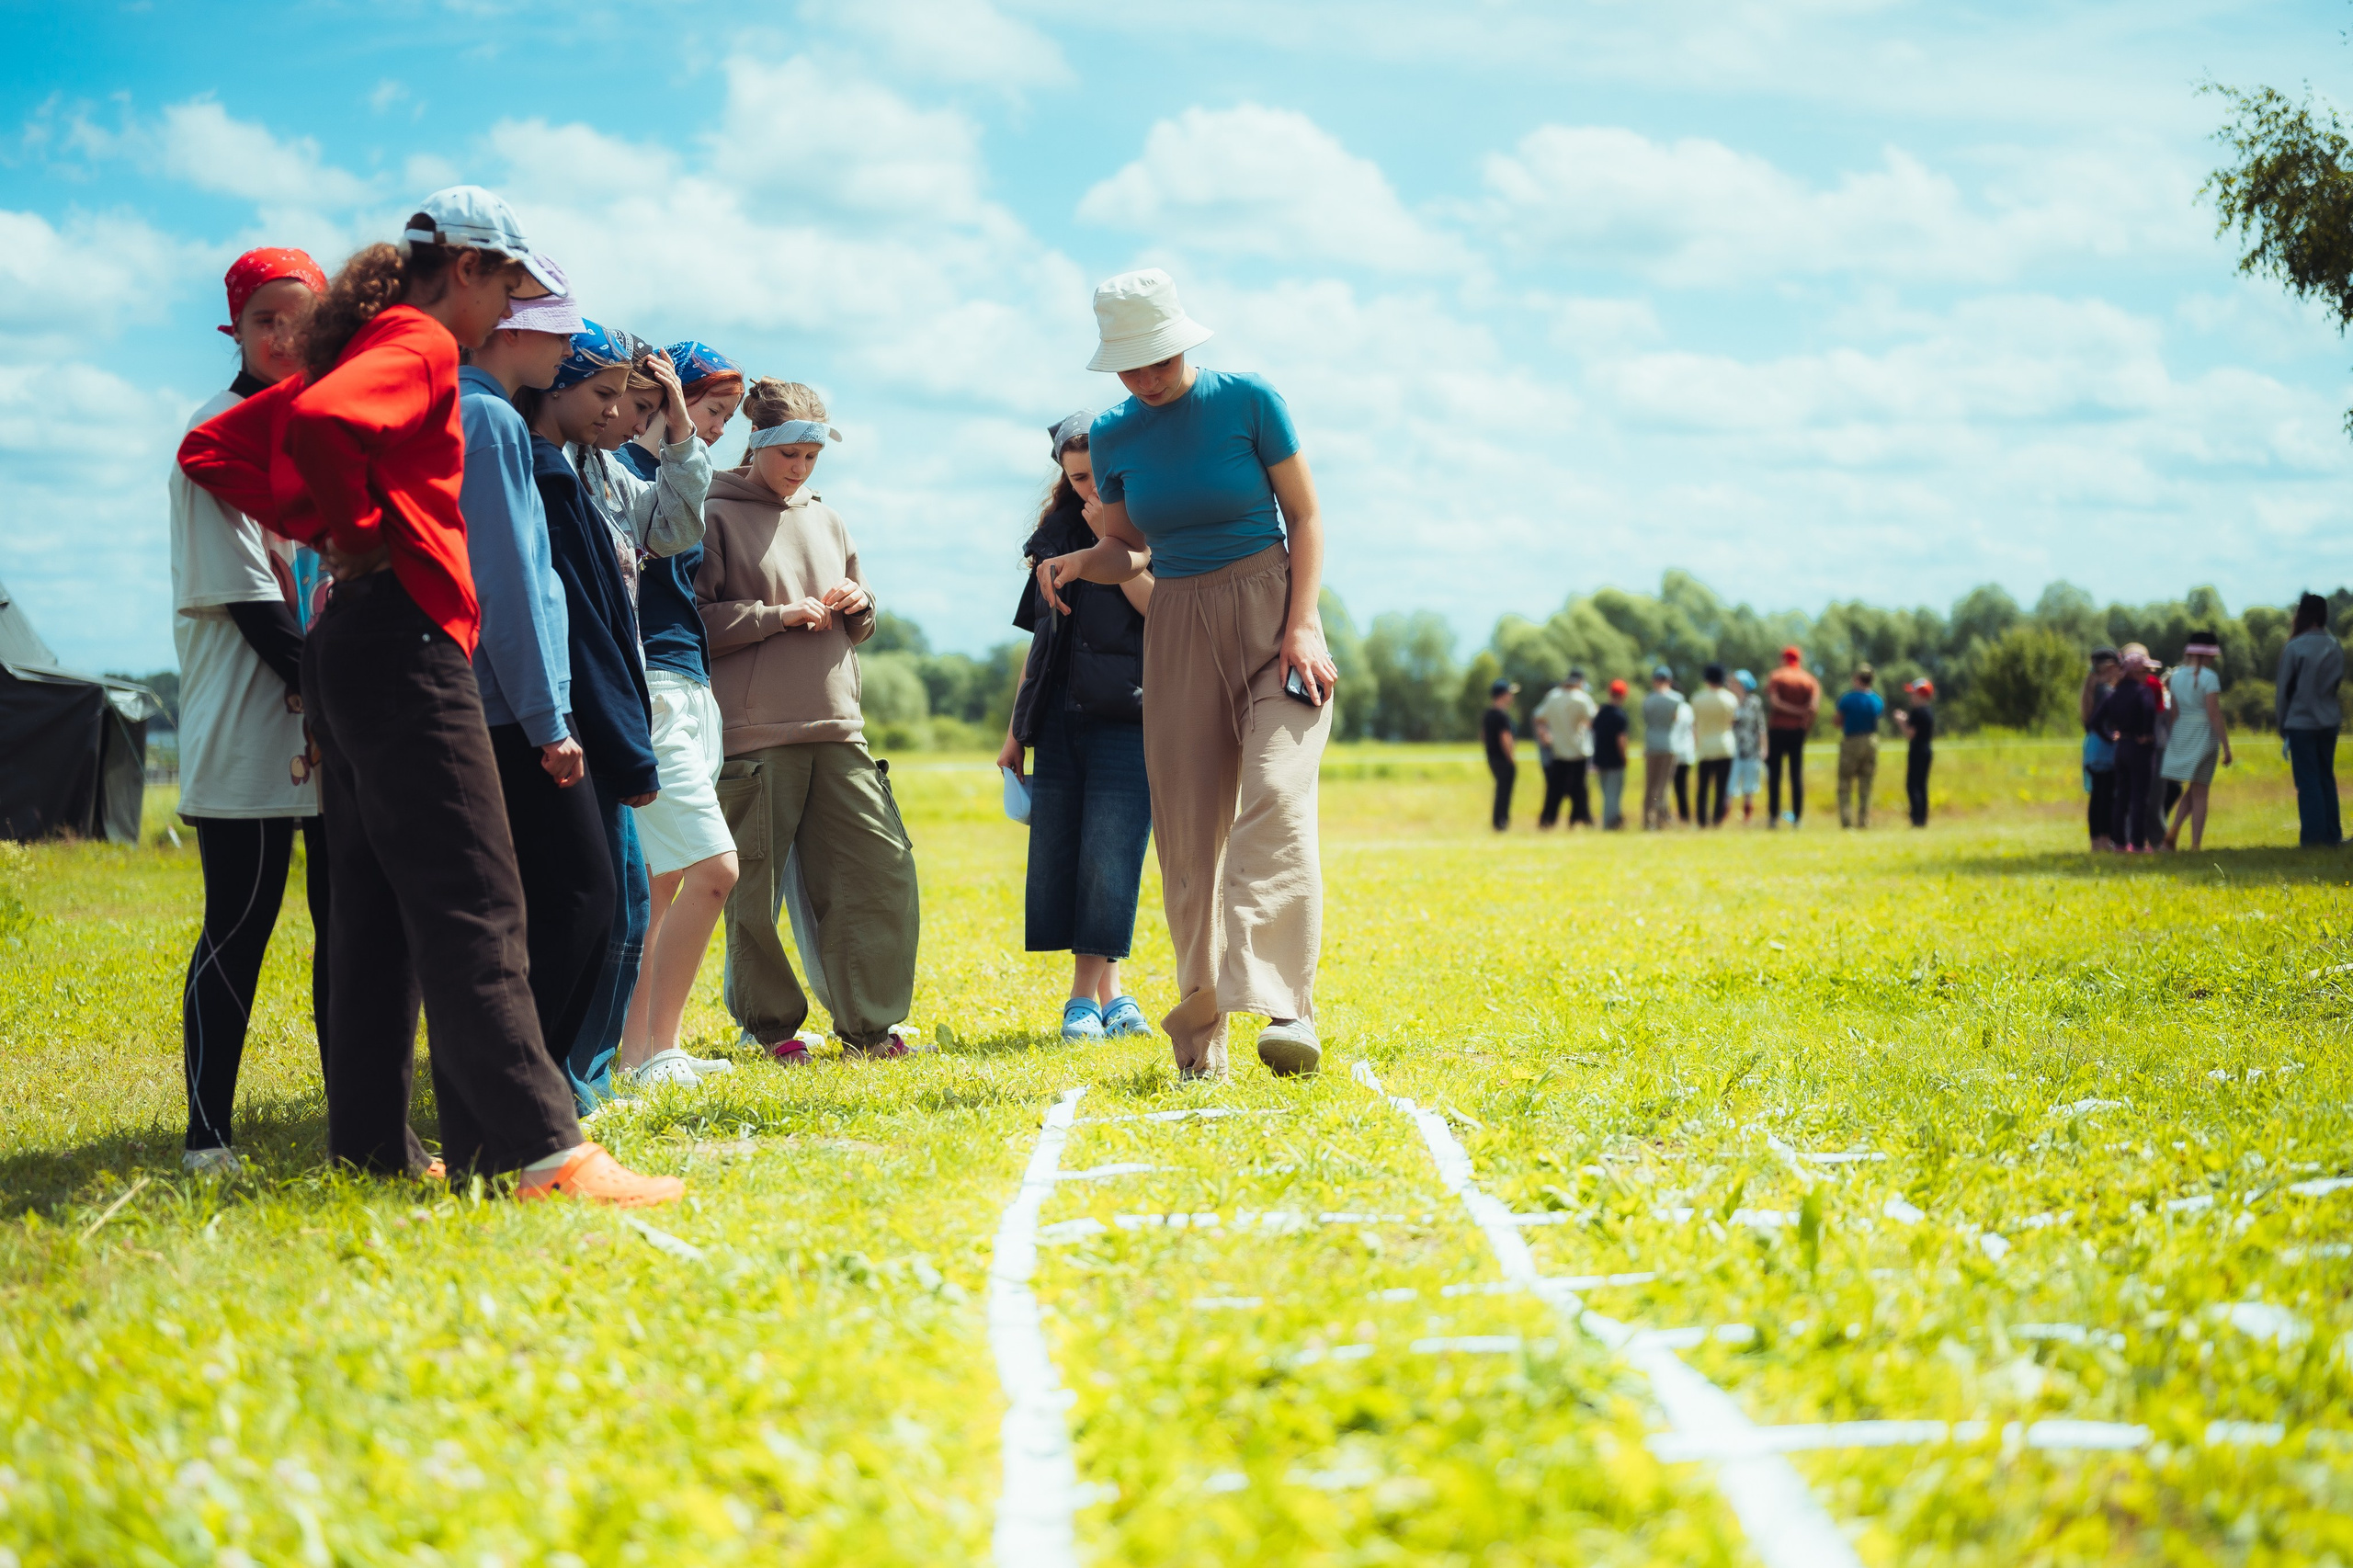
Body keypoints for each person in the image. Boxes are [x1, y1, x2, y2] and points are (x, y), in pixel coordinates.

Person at [176, 186, 680, 1205]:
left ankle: (372, 1151)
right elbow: (311, 425)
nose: (510, 311)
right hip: (408, 640)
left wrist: (336, 530)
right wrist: (367, 530)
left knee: (372, 916)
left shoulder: (378, 345)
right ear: (466, 268)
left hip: (349, 642)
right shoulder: (417, 344)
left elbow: (215, 448)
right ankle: (538, 1154)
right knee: (477, 903)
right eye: (508, 288)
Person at [1033, 269, 1340, 1081]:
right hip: (1177, 627)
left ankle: (1286, 1008)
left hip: (1275, 618)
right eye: (1128, 366)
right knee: (1187, 840)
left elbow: (1305, 515)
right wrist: (1080, 563)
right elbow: (1129, 548)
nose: (1145, 377)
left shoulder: (1249, 400)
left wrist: (1301, 624)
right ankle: (1202, 1039)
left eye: (1158, 358)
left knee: (1276, 796)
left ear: (1183, 339)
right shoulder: (1114, 433)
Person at [699, 380, 920, 1065]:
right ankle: (770, 1031)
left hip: (840, 728)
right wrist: (775, 617)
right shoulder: (712, 513)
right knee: (753, 892)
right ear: (757, 444)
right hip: (756, 736)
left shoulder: (828, 518)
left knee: (878, 872)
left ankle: (870, 1028)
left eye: (812, 457)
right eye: (789, 454)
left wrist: (861, 603)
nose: (800, 468)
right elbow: (690, 624)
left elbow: (861, 622)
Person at [169, 246, 331, 1176]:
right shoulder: (213, 435)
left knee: (347, 926)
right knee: (239, 923)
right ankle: (208, 1136)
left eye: (300, 320)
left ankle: (359, 1111)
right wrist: (351, 693)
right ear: (234, 328)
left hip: (332, 720)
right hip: (251, 718)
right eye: (265, 320)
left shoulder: (327, 429)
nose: (283, 337)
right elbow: (254, 607)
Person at [460, 266, 622, 1123]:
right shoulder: (488, 419)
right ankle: (522, 1090)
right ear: (508, 326)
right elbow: (510, 582)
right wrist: (547, 718)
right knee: (581, 895)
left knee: (537, 902)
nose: (567, 345)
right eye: (557, 328)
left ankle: (520, 1087)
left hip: (495, 701)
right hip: (509, 707)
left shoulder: (474, 409)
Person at [998, 412, 1155, 1042]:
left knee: (1111, 855)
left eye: (1100, 474)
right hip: (1060, 718)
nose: (1093, 488)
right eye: (1079, 478)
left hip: (1130, 717)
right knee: (1071, 857)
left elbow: (1162, 610)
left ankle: (1081, 1001)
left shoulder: (1154, 523)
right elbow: (1041, 642)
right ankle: (1112, 998)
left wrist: (1106, 549)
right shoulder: (1052, 537)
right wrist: (1017, 731)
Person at [604, 340, 737, 1086]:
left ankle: (650, 1052)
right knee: (716, 870)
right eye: (712, 411)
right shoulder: (621, 476)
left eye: (723, 418)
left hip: (688, 680)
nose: (716, 429)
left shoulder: (677, 479)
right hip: (652, 683)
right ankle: (649, 1052)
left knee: (662, 879)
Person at [2277, 593, 2345, 847]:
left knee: (2308, 781)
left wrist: (2282, 723)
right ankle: (2332, 835)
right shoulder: (2334, 645)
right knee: (2326, 777)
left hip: (2301, 721)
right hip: (2329, 720)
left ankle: (2313, 838)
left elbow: (2283, 691)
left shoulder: (2295, 647)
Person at [2160, 631, 2234, 852]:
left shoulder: (2176, 676)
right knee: (2201, 791)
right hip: (2204, 734)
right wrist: (2226, 746)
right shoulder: (2209, 677)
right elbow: (2214, 713)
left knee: (2193, 789)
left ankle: (2173, 832)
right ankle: (2195, 844)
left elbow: (2174, 713)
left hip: (2182, 732)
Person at [2101, 649, 2161, 851]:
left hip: (2122, 747)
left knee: (2122, 798)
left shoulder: (2114, 694)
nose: (2149, 675)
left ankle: (2119, 843)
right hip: (2141, 749)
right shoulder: (2143, 692)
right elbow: (2149, 711)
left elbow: (2096, 721)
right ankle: (2137, 844)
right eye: (2145, 671)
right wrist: (2146, 733)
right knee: (2139, 799)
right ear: (2134, 672)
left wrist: (2110, 735)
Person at [1531, 668, 1597, 829]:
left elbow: (1539, 716)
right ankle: (1580, 818)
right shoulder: (1582, 698)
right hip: (1578, 750)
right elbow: (1592, 718)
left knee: (1555, 790)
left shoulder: (1553, 696)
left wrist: (1546, 733)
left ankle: (1548, 820)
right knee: (1579, 788)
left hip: (1559, 750)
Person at [1765, 646, 1820, 828]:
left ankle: (1773, 817)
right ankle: (1797, 818)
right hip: (1798, 731)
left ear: (1783, 659)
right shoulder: (1809, 680)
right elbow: (1813, 708)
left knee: (1775, 775)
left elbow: (1774, 702)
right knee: (1796, 775)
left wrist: (1793, 711)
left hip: (1777, 730)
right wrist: (1805, 725)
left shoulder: (1776, 676)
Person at [2081, 647, 2122, 850]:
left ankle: (2096, 842)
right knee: (2106, 796)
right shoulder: (2107, 691)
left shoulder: (2092, 689)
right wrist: (2112, 736)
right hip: (2105, 748)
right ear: (2112, 667)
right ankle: (2105, 840)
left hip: (2092, 746)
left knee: (2097, 796)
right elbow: (2101, 722)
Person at [1835, 665, 1884, 828]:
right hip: (1871, 740)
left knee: (1845, 783)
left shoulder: (1848, 699)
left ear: (1856, 678)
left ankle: (1846, 821)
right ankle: (1864, 821)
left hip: (1852, 741)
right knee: (1866, 783)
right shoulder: (1877, 700)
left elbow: (1837, 721)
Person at [1640, 666, 1681, 830]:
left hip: (1651, 744)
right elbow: (1675, 719)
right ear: (1669, 680)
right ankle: (1660, 819)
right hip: (1668, 744)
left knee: (1650, 784)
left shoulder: (1648, 699)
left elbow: (1646, 720)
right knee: (1663, 785)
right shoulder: (1676, 699)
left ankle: (1647, 819)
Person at [1895, 678, 1935, 827]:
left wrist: (1900, 721)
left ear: (1920, 695)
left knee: (1913, 785)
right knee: (1922, 785)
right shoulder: (1927, 711)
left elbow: (1910, 733)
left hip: (1918, 750)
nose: (1910, 696)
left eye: (1913, 693)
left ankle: (1916, 819)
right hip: (1926, 750)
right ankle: (1922, 819)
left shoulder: (1917, 712)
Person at [1593, 679, 1631, 830]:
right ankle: (1610, 823)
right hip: (1615, 759)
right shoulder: (1619, 715)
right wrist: (1624, 757)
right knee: (1613, 794)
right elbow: (1621, 740)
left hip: (1600, 758)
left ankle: (1612, 821)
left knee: (1606, 793)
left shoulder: (1601, 712)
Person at [1483, 678, 1519, 831]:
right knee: (1504, 792)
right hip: (1504, 759)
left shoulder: (1488, 714)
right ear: (1502, 695)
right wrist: (1511, 757)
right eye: (1509, 693)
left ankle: (1498, 821)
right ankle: (1501, 822)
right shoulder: (1501, 716)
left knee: (1500, 791)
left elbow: (1483, 736)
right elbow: (1505, 738)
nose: (1512, 697)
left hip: (1492, 758)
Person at [1730, 669, 1765, 824]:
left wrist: (1764, 747)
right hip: (1732, 748)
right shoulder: (1729, 701)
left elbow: (1761, 726)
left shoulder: (1754, 702)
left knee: (1749, 787)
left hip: (1751, 749)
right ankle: (1724, 816)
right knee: (1730, 785)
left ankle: (1747, 817)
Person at [1670, 690, 1697, 824]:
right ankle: (1684, 815)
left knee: (1667, 787)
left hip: (1671, 750)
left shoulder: (1669, 705)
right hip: (1686, 750)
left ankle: (1668, 814)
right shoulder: (1688, 708)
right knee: (1682, 786)